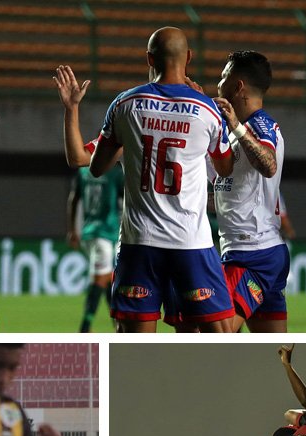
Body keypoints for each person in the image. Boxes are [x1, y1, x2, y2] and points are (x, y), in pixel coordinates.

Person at [88, 27, 236, 333]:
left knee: (133, 339)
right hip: (190, 241)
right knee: (219, 335)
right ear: (189, 57)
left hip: (139, 242)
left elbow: (97, 167)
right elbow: (224, 168)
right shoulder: (205, 109)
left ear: (149, 59)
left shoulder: (125, 104)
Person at [208, 51, 290, 333]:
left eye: (223, 78)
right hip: (256, 251)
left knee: (215, 332)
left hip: (252, 253)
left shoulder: (261, 125)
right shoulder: (232, 132)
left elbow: (268, 164)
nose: (219, 84)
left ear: (238, 86)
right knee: (273, 349)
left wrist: (236, 127)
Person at [67, 161, 122, 332]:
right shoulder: (116, 172)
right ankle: (85, 327)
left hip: (88, 231)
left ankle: (117, 323)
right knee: (101, 279)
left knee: (107, 279)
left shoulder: (83, 171)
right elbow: (128, 198)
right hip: (103, 233)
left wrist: (72, 230)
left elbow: (74, 199)